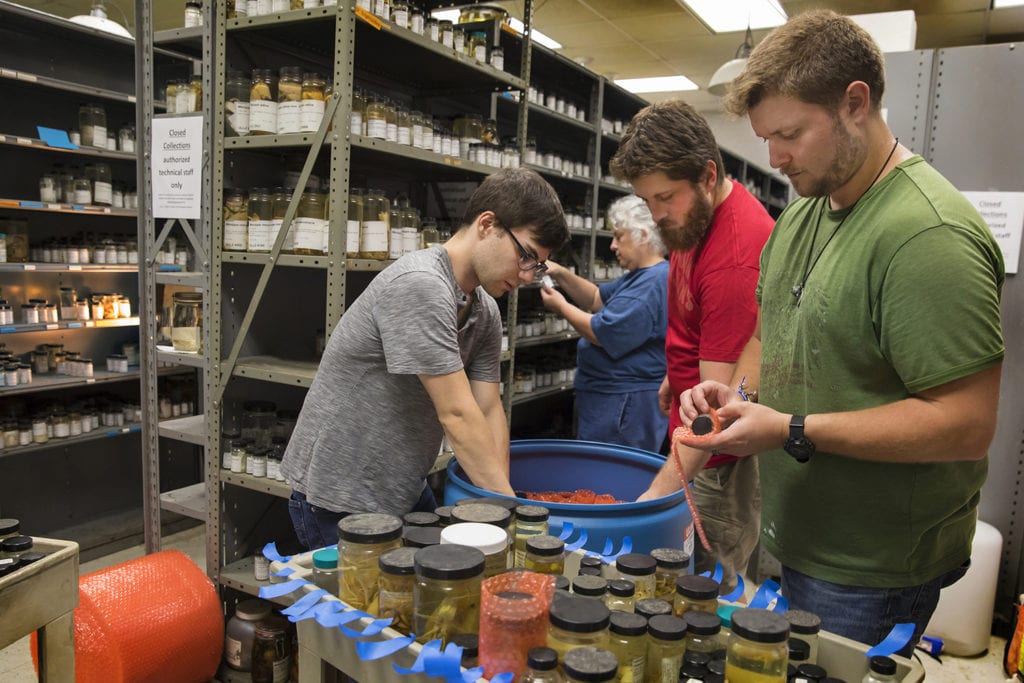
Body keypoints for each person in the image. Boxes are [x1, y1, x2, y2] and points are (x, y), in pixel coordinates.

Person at [673, 10, 1005, 656]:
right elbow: (771, 340)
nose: (775, 156)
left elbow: (967, 422)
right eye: (767, 137)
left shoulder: (926, 234)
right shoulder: (801, 218)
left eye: (791, 133)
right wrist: (738, 397)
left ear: (856, 103)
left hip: (868, 567)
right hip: (792, 536)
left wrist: (792, 429)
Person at [281, 168, 568, 549]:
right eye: (527, 256)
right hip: (340, 496)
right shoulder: (421, 285)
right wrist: (513, 512)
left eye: (539, 266)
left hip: (401, 487)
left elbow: (487, 409)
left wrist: (502, 502)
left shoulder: (484, 311)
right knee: (371, 608)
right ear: (487, 225)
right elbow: (457, 414)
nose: (530, 275)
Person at [610, 100, 774, 593]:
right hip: (692, 442)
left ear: (707, 175)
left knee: (706, 595)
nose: (657, 216)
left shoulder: (735, 256)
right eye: (647, 201)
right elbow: (697, 319)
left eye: (666, 197)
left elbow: (715, 417)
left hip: (718, 465)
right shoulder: (692, 221)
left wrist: (653, 500)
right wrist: (674, 373)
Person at [539, 194, 669, 452]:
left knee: (613, 478)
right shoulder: (640, 276)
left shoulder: (653, 283)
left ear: (642, 236)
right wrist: (560, 273)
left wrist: (561, 307)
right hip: (611, 399)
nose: (612, 245)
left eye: (619, 236)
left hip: (625, 404)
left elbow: (603, 333)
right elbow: (597, 298)